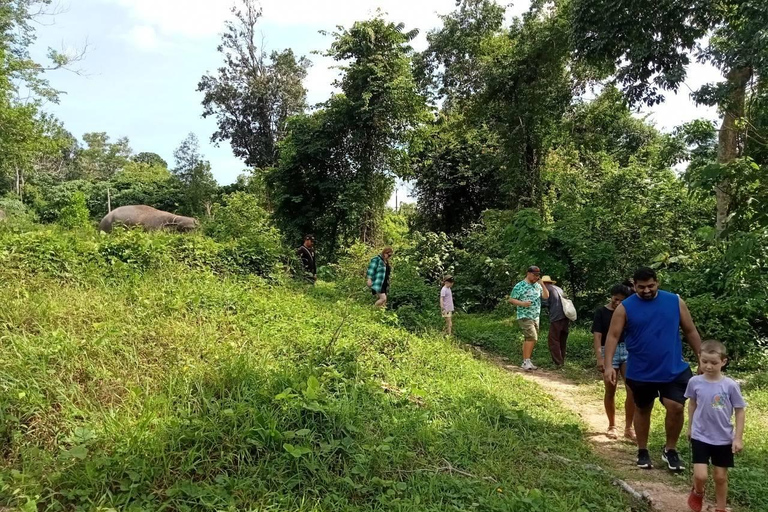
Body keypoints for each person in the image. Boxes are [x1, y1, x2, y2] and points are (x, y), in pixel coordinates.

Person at [603, 267, 702, 472]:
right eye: (641, 287)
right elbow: (612, 336)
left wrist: (702, 357)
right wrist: (608, 365)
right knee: (642, 408)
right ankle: (642, 450)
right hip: (641, 370)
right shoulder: (625, 307)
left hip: (673, 368)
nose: (646, 290)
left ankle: (671, 449)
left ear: (657, 282)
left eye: (651, 286)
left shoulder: (675, 301)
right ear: (634, 286)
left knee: (676, 407)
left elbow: (690, 330)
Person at [685, 340, 746, 512]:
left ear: (723, 362)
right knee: (700, 475)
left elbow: (740, 410)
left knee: (720, 477)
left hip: (723, 438)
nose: (709, 366)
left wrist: (738, 437)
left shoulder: (730, 386)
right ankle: (698, 491)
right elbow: (692, 404)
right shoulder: (695, 382)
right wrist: (690, 427)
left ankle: (720, 508)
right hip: (700, 435)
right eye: (704, 362)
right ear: (699, 358)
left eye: (714, 363)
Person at [592, 283, 636, 441]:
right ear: (611, 296)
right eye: (615, 299)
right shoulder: (601, 312)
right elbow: (597, 336)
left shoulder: (628, 311)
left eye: (621, 300)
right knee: (610, 388)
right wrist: (600, 357)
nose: (618, 303)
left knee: (632, 389)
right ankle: (612, 425)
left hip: (627, 350)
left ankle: (629, 427)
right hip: (608, 350)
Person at [508, 266, 550, 371]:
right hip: (524, 315)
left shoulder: (537, 285)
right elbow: (511, 299)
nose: (536, 277)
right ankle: (526, 361)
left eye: (538, 275)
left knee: (530, 339)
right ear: (529, 273)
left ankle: (527, 360)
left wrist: (543, 285)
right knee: (532, 337)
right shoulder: (520, 286)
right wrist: (522, 303)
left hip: (535, 316)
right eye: (535, 275)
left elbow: (546, 296)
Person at [542, 275, 570, 366]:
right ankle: (562, 360)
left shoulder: (546, 289)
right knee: (562, 339)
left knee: (553, 340)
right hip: (566, 316)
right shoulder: (559, 288)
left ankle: (558, 362)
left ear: (544, 283)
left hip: (556, 317)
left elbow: (544, 303)